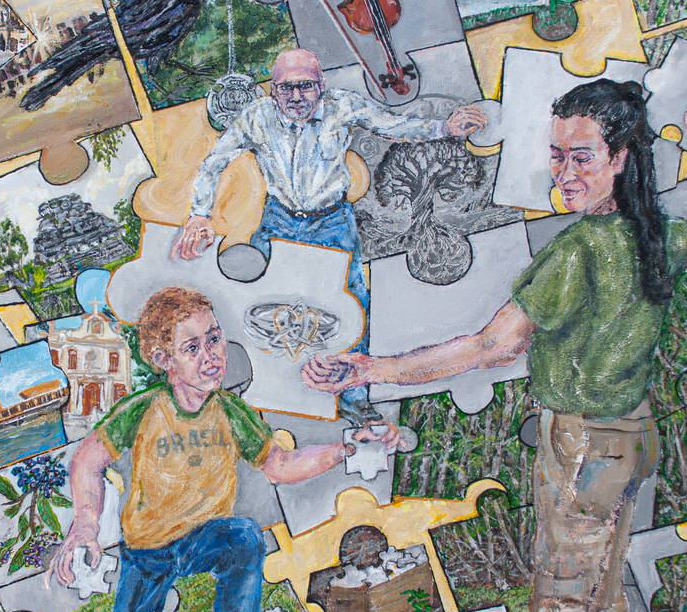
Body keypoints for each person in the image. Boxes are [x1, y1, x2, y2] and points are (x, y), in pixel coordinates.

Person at [302, 79, 687, 612]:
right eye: (557, 155)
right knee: (602, 599)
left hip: (582, 448)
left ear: (621, 158)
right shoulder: (652, 235)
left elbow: (492, 346)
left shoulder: (577, 252)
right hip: (630, 437)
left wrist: (375, 368)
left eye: (581, 157)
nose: (564, 172)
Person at [48, 286, 401, 612]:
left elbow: (281, 465)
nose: (211, 356)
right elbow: (87, 459)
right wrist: (85, 524)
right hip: (147, 550)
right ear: (163, 359)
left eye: (214, 339)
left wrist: (347, 446)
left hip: (205, 539)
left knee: (246, 538)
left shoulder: (232, 412)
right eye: (192, 348)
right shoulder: (143, 408)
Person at [171, 48, 488, 424]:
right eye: (285, 88)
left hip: (332, 222)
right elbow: (213, 162)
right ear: (273, 89)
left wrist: (444, 128)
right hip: (279, 221)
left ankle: (353, 397)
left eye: (305, 86)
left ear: (321, 86)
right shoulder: (256, 117)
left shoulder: (343, 106)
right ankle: (256, 390)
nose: (295, 96)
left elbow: (393, 125)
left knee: (352, 304)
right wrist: (199, 214)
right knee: (251, 296)